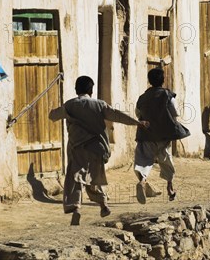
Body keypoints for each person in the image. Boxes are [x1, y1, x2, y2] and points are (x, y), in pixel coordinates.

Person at [48, 76, 148, 226]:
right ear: (91, 90)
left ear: (76, 90)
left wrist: (52, 109)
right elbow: (117, 115)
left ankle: (76, 209)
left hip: (78, 148)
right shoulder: (100, 105)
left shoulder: (70, 105)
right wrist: (137, 123)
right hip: (97, 148)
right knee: (96, 177)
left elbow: (53, 116)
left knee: (75, 178)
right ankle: (103, 205)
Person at [134, 68, 190, 204]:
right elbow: (175, 113)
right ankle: (170, 188)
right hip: (164, 135)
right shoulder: (167, 95)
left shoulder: (143, 97)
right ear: (163, 80)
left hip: (146, 134)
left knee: (143, 159)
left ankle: (142, 181)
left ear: (150, 80)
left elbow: (138, 113)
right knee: (166, 161)